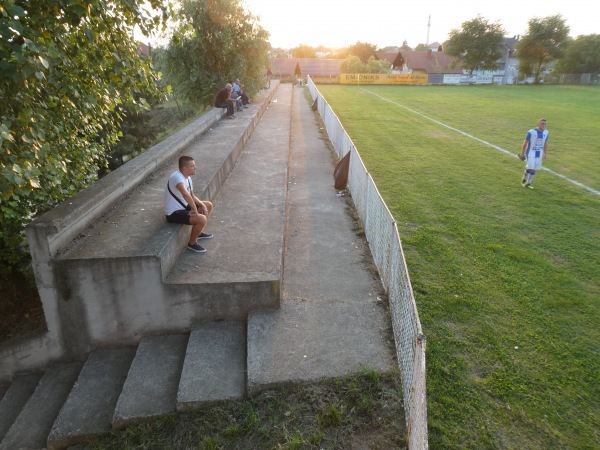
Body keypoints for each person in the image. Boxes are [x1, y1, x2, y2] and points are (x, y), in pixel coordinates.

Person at [165, 156, 213, 253]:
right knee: (201, 219)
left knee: (208, 205)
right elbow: (185, 194)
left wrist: (201, 205)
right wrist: (194, 209)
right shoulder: (177, 178)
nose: (195, 168)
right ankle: (192, 243)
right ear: (184, 168)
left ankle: (198, 233)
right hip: (174, 213)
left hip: (183, 207)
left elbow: (192, 195)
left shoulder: (187, 178)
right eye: (192, 166)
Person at [519, 118, 549, 189]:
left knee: (534, 169)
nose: (543, 125)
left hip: (539, 154)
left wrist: (545, 154)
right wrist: (522, 153)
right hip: (531, 153)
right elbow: (525, 143)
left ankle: (528, 183)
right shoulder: (531, 132)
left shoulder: (546, 132)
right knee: (531, 169)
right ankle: (524, 179)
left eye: (545, 124)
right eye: (542, 123)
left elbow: (545, 143)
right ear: (538, 124)